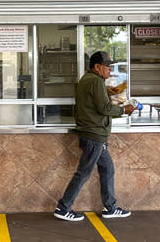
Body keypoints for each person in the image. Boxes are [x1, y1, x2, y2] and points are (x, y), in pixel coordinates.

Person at [54, 51, 135, 222]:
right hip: (94, 135)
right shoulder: (95, 81)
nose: (110, 71)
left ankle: (110, 207)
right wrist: (123, 110)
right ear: (97, 67)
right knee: (83, 172)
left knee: (107, 168)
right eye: (107, 67)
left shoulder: (88, 80)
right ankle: (63, 207)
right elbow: (104, 109)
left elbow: (98, 104)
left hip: (95, 134)